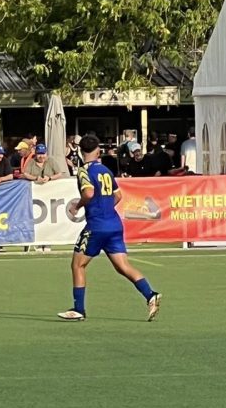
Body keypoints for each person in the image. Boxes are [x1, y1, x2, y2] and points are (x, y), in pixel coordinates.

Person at [58, 135, 162, 323]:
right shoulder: (105, 170)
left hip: (96, 227)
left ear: (80, 151)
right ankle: (150, 295)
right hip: (114, 224)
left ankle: (79, 309)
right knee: (123, 266)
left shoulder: (84, 170)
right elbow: (118, 195)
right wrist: (105, 207)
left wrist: (77, 206)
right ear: (98, 151)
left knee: (77, 265)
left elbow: (88, 193)